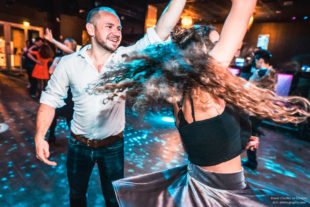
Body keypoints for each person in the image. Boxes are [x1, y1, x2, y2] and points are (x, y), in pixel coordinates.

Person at [93, 0, 310, 206]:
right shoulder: (201, 86)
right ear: (200, 53)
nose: (230, 47)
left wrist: (242, 140)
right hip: (221, 194)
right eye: (217, 43)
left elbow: (209, 142)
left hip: (200, 184)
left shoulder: (184, 91)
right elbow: (245, 6)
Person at [34, 1, 186, 207]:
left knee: (114, 198)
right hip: (78, 146)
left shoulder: (123, 59)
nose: (117, 32)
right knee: (77, 196)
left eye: (119, 28)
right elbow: (50, 100)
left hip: (113, 146)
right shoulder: (69, 64)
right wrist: (40, 135)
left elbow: (160, 32)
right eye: (109, 27)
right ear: (91, 29)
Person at [243, 49, 277, 170]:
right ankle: (252, 161)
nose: (254, 63)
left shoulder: (263, 73)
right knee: (252, 134)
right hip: (259, 110)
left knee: (250, 134)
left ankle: (252, 162)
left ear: (261, 60)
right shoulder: (270, 73)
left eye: (255, 60)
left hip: (256, 110)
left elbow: (251, 89)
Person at [44, 29, 77, 144]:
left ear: (72, 46)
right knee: (53, 115)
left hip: (70, 93)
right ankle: (51, 135)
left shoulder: (75, 57)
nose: (63, 46)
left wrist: (52, 40)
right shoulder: (59, 58)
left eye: (66, 45)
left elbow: (71, 52)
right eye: (63, 44)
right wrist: (58, 63)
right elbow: (50, 71)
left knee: (70, 116)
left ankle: (75, 138)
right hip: (58, 91)